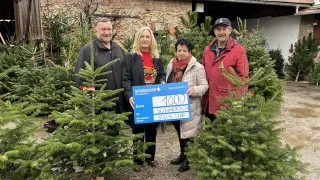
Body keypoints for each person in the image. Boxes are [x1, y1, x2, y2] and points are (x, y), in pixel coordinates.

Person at [122, 27, 166, 168]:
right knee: (138, 130)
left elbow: (162, 74)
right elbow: (126, 78)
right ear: (138, 39)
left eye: (147, 37)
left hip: (153, 99)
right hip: (138, 99)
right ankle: (138, 160)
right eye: (142, 37)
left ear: (151, 39)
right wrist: (129, 96)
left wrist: (163, 81)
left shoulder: (157, 58)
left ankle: (150, 157)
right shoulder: (131, 57)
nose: (145, 39)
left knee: (152, 129)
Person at [166, 39, 208, 172]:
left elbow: (204, 86)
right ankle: (182, 155)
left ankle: (189, 160)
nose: (182, 53)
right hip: (174, 106)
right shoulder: (170, 65)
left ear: (190, 52)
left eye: (185, 50)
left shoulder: (197, 67)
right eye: (179, 50)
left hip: (190, 107)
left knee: (189, 134)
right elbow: (168, 82)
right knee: (180, 132)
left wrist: (193, 90)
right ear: (176, 52)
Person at [202, 17, 249, 121]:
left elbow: (243, 77)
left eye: (224, 29)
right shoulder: (207, 50)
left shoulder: (239, 50)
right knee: (210, 132)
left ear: (230, 31)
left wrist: (236, 101)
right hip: (209, 101)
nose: (221, 32)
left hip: (227, 103)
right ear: (214, 32)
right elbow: (202, 73)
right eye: (218, 29)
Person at [75, 18, 125, 114]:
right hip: (99, 106)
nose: (107, 32)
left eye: (109, 29)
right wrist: (92, 100)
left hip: (118, 104)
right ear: (95, 31)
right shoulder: (88, 50)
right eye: (103, 29)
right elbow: (80, 79)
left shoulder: (117, 48)